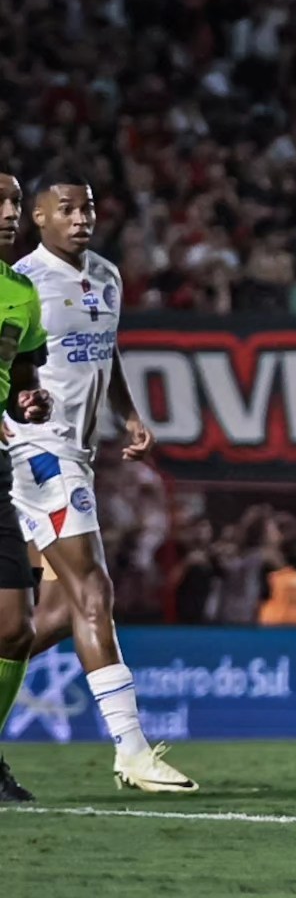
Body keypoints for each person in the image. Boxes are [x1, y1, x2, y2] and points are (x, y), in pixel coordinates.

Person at [8, 174, 197, 793]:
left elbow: (105, 350)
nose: (81, 218)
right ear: (38, 217)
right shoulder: (24, 281)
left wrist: (131, 413)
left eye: (88, 207)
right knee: (94, 590)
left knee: (56, 611)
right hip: (40, 451)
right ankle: (132, 749)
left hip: (78, 452)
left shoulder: (108, 276)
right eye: (65, 209)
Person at [0, 171, 55, 802]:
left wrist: (29, 403)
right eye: (1, 201)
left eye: (16, 201)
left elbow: (20, 385)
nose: (10, 211)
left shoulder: (21, 292)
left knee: (14, 626)